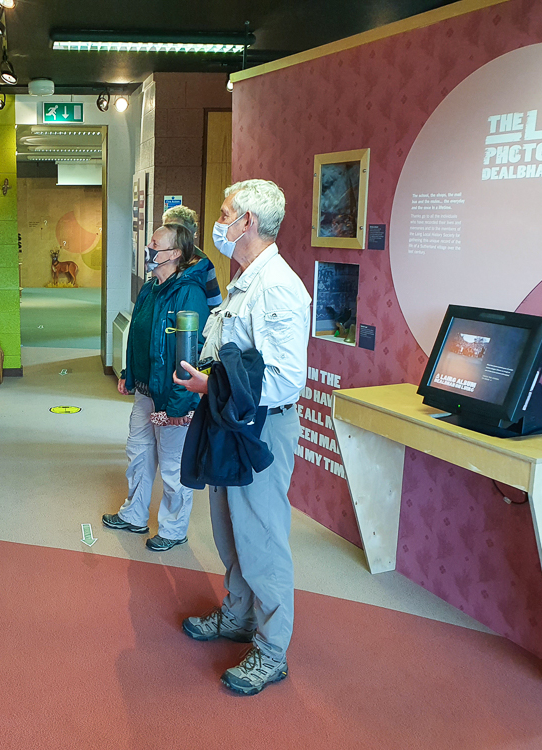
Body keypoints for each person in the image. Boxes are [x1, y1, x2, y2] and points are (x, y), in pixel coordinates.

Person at [174, 179, 311, 696]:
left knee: (263, 535)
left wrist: (213, 383)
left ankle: (273, 648)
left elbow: (283, 379)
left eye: (227, 212)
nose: (221, 221)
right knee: (229, 526)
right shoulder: (246, 280)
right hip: (231, 419)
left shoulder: (276, 287)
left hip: (262, 427)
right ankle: (238, 616)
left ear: (247, 222)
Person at [102, 224, 213, 551]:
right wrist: (129, 372)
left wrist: (178, 407)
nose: (148, 248)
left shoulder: (189, 293)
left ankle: (174, 529)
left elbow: (188, 356)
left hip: (173, 398)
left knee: (173, 465)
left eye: (154, 244)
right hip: (146, 392)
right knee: (138, 452)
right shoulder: (151, 288)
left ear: (175, 253)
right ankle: (134, 515)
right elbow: (137, 331)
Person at [162, 205, 223, 308]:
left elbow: (214, 302)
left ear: (189, 232)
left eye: (176, 229)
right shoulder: (161, 255)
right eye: (166, 228)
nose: (169, 234)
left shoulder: (202, 263)